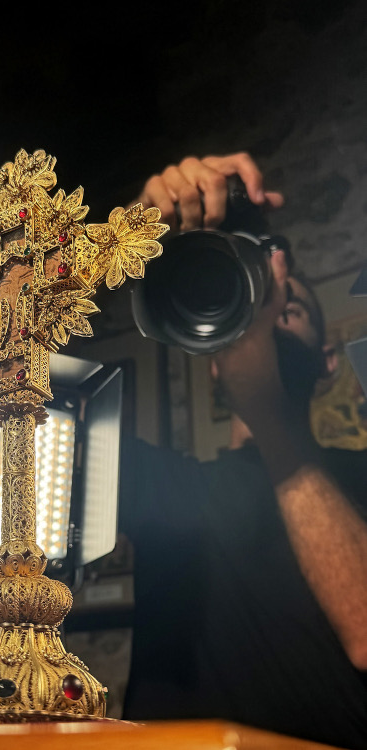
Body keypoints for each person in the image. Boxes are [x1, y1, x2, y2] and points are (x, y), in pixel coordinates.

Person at [119, 153, 367, 749]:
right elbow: (1, 380)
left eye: (288, 308)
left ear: (328, 363)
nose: (268, 320)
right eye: (254, 308)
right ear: (212, 362)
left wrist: (266, 414)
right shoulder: (162, 486)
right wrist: (118, 240)